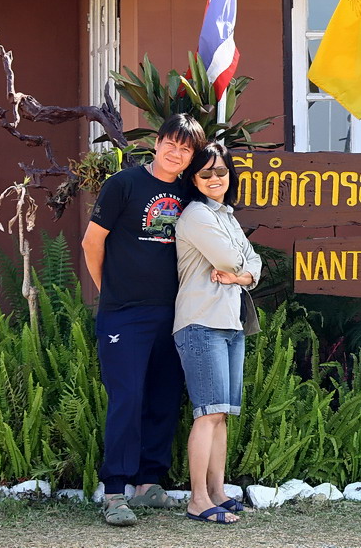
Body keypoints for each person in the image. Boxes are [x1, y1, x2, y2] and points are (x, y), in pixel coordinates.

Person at [81, 113, 206, 526]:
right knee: (128, 398)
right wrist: (108, 290)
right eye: (171, 143)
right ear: (157, 142)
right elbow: (92, 241)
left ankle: (149, 483)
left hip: (176, 312)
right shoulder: (124, 184)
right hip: (124, 314)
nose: (176, 152)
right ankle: (115, 491)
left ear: (191, 156)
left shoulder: (189, 193)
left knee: (164, 396)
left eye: (185, 148)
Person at [173, 142, 262, 525]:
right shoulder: (196, 215)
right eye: (206, 173)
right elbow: (230, 257)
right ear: (194, 179)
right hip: (201, 322)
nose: (214, 178)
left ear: (230, 175)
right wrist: (241, 267)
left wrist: (240, 276)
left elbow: (253, 262)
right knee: (208, 413)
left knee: (222, 414)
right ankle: (198, 500)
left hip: (230, 322)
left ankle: (218, 492)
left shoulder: (227, 216)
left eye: (221, 171)